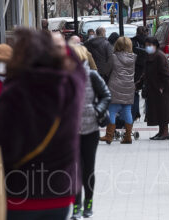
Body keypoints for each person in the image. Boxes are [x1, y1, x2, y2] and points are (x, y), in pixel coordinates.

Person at [0, 29, 86, 220]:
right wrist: (59, 45)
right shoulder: (71, 86)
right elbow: (76, 64)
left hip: (20, 193)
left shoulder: (15, 90)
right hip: (60, 193)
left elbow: (0, 144)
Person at [70, 45, 111, 220]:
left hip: (90, 129)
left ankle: (88, 204)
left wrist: (97, 110)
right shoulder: (65, 78)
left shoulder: (92, 75)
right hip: (70, 131)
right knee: (74, 170)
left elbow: (106, 95)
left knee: (88, 169)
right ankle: (76, 206)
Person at [100, 37, 136, 144]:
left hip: (115, 86)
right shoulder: (133, 57)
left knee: (112, 111)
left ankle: (109, 135)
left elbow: (106, 71)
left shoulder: (113, 57)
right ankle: (128, 136)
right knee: (127, 111)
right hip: (129, 86)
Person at [144, 37, 169, 140]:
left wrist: (162, 86)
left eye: (149, 45)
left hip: (162, 88)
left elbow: (165, 74)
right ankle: (161, 131)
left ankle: (165, 132)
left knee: (163, 110)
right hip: (155, 87)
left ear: (155, 45)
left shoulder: (159, 56)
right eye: (146, 45)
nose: (147, 47)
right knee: (158, 110)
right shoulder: (152, 55)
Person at [131, 26, 148, 120]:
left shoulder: (133, 41)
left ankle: (136, 113)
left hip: (136, 68)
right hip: (147, 67)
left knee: (136, 90)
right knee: (147, 90)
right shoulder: (149, 41)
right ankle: (148, 115)